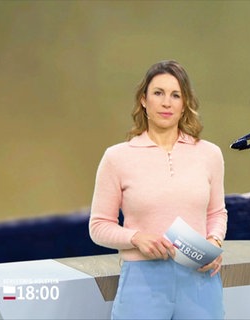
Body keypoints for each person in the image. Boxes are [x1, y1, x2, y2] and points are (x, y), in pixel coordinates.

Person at [89, 60, 228, 319]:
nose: (167, 103)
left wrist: (214, 242)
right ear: (144, 100)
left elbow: (217, 213)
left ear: (185, 103)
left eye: (176, 95)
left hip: (200, 281)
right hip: (142, 283)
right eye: (158, 93)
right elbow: (98, 226)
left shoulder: (209, 154)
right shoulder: (117, 157)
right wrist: (136, 238)